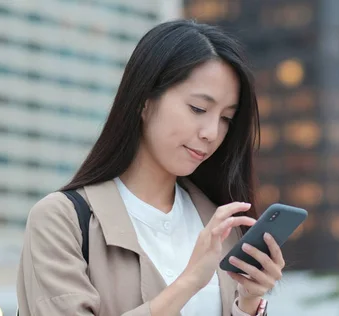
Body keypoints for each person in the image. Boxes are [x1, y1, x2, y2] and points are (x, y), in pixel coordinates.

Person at [16, 19, 284, 316]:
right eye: (198, 108)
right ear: (144, 101)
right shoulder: (61, 220)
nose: (212, 132)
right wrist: (190, 282)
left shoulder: (221, 227)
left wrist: (247, 302)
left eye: (226, 118)